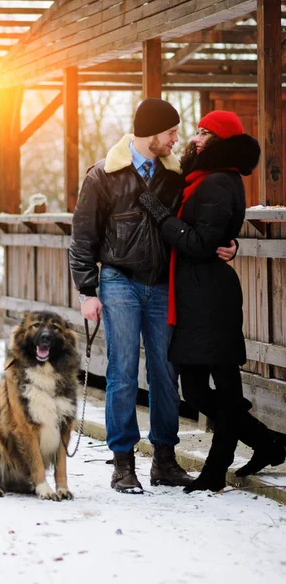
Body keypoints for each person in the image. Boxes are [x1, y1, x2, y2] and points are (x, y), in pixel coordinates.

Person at [69, 99, 236, 494]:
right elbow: (82, 239)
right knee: (123, 371)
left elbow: (203, 222)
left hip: (163, 285)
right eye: (171, 133)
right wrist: (86, 290)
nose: (176, 140)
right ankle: (123, 464)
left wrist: (230, 245)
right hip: (118, 281)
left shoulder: (174, 175)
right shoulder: (102, 176)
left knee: (165, 372)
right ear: (151, 134)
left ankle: (164, 459)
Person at [139, 110, 286, 493]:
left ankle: (216, 468)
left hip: (210, 298)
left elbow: (202, 243)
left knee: (221, 386)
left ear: (221, 142)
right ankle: (268, 442)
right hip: (194, 295)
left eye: (206, 133)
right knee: (197, 391)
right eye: (198, 130)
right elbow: (211, 236)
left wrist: (161, 217)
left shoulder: (220, 182)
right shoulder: (202, 178)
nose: (196, 138)